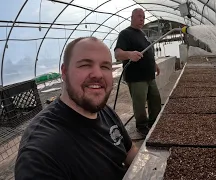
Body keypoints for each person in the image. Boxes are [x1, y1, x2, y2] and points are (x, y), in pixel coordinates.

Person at [15, 37, 138, 180]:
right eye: (85, 65)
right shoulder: (40, 153)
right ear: (64, 72)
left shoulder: (104, 111)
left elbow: (130, 152)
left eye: (105, 66)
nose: (98, 74)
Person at [114, 8, 162, 136]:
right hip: (136, 77)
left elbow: (147, 52)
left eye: (143, 17)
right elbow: (118, 54)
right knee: (139, 103)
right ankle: (141, 126)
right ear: (132, 17)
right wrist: (129, 54)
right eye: (139, 16)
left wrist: (155, 64)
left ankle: (154, 122)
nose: (142, 19)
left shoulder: (142, 34)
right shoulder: (125, 34)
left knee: (155, 100)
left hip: (149, 74)